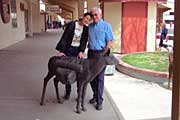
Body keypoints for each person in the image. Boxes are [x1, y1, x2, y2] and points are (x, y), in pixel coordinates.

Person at [55, 12, 92, 100]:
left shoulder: (86, 29)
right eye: (86, 18)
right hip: (69, 50)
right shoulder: (72, 25)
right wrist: (62, 51)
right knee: (67, 71)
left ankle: (79, 94)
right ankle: (68, 93)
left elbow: (84, 41)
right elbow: (65, 37)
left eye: (89, 20)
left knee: (79, 72)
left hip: (77, 51)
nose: (87, 21)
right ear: (83, 17)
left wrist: (81, 51)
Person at [88, 7, 114, 110]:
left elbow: (110, 40)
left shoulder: (106, 26)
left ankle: (99, 101)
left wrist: (105, 51)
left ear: (100, 15)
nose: (94, 17)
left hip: (101, 54)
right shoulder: (89, 26)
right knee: (91, 77)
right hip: (91, 53)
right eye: (92, 15)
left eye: (96, 15)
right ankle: (95, 95)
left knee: (99, 78)